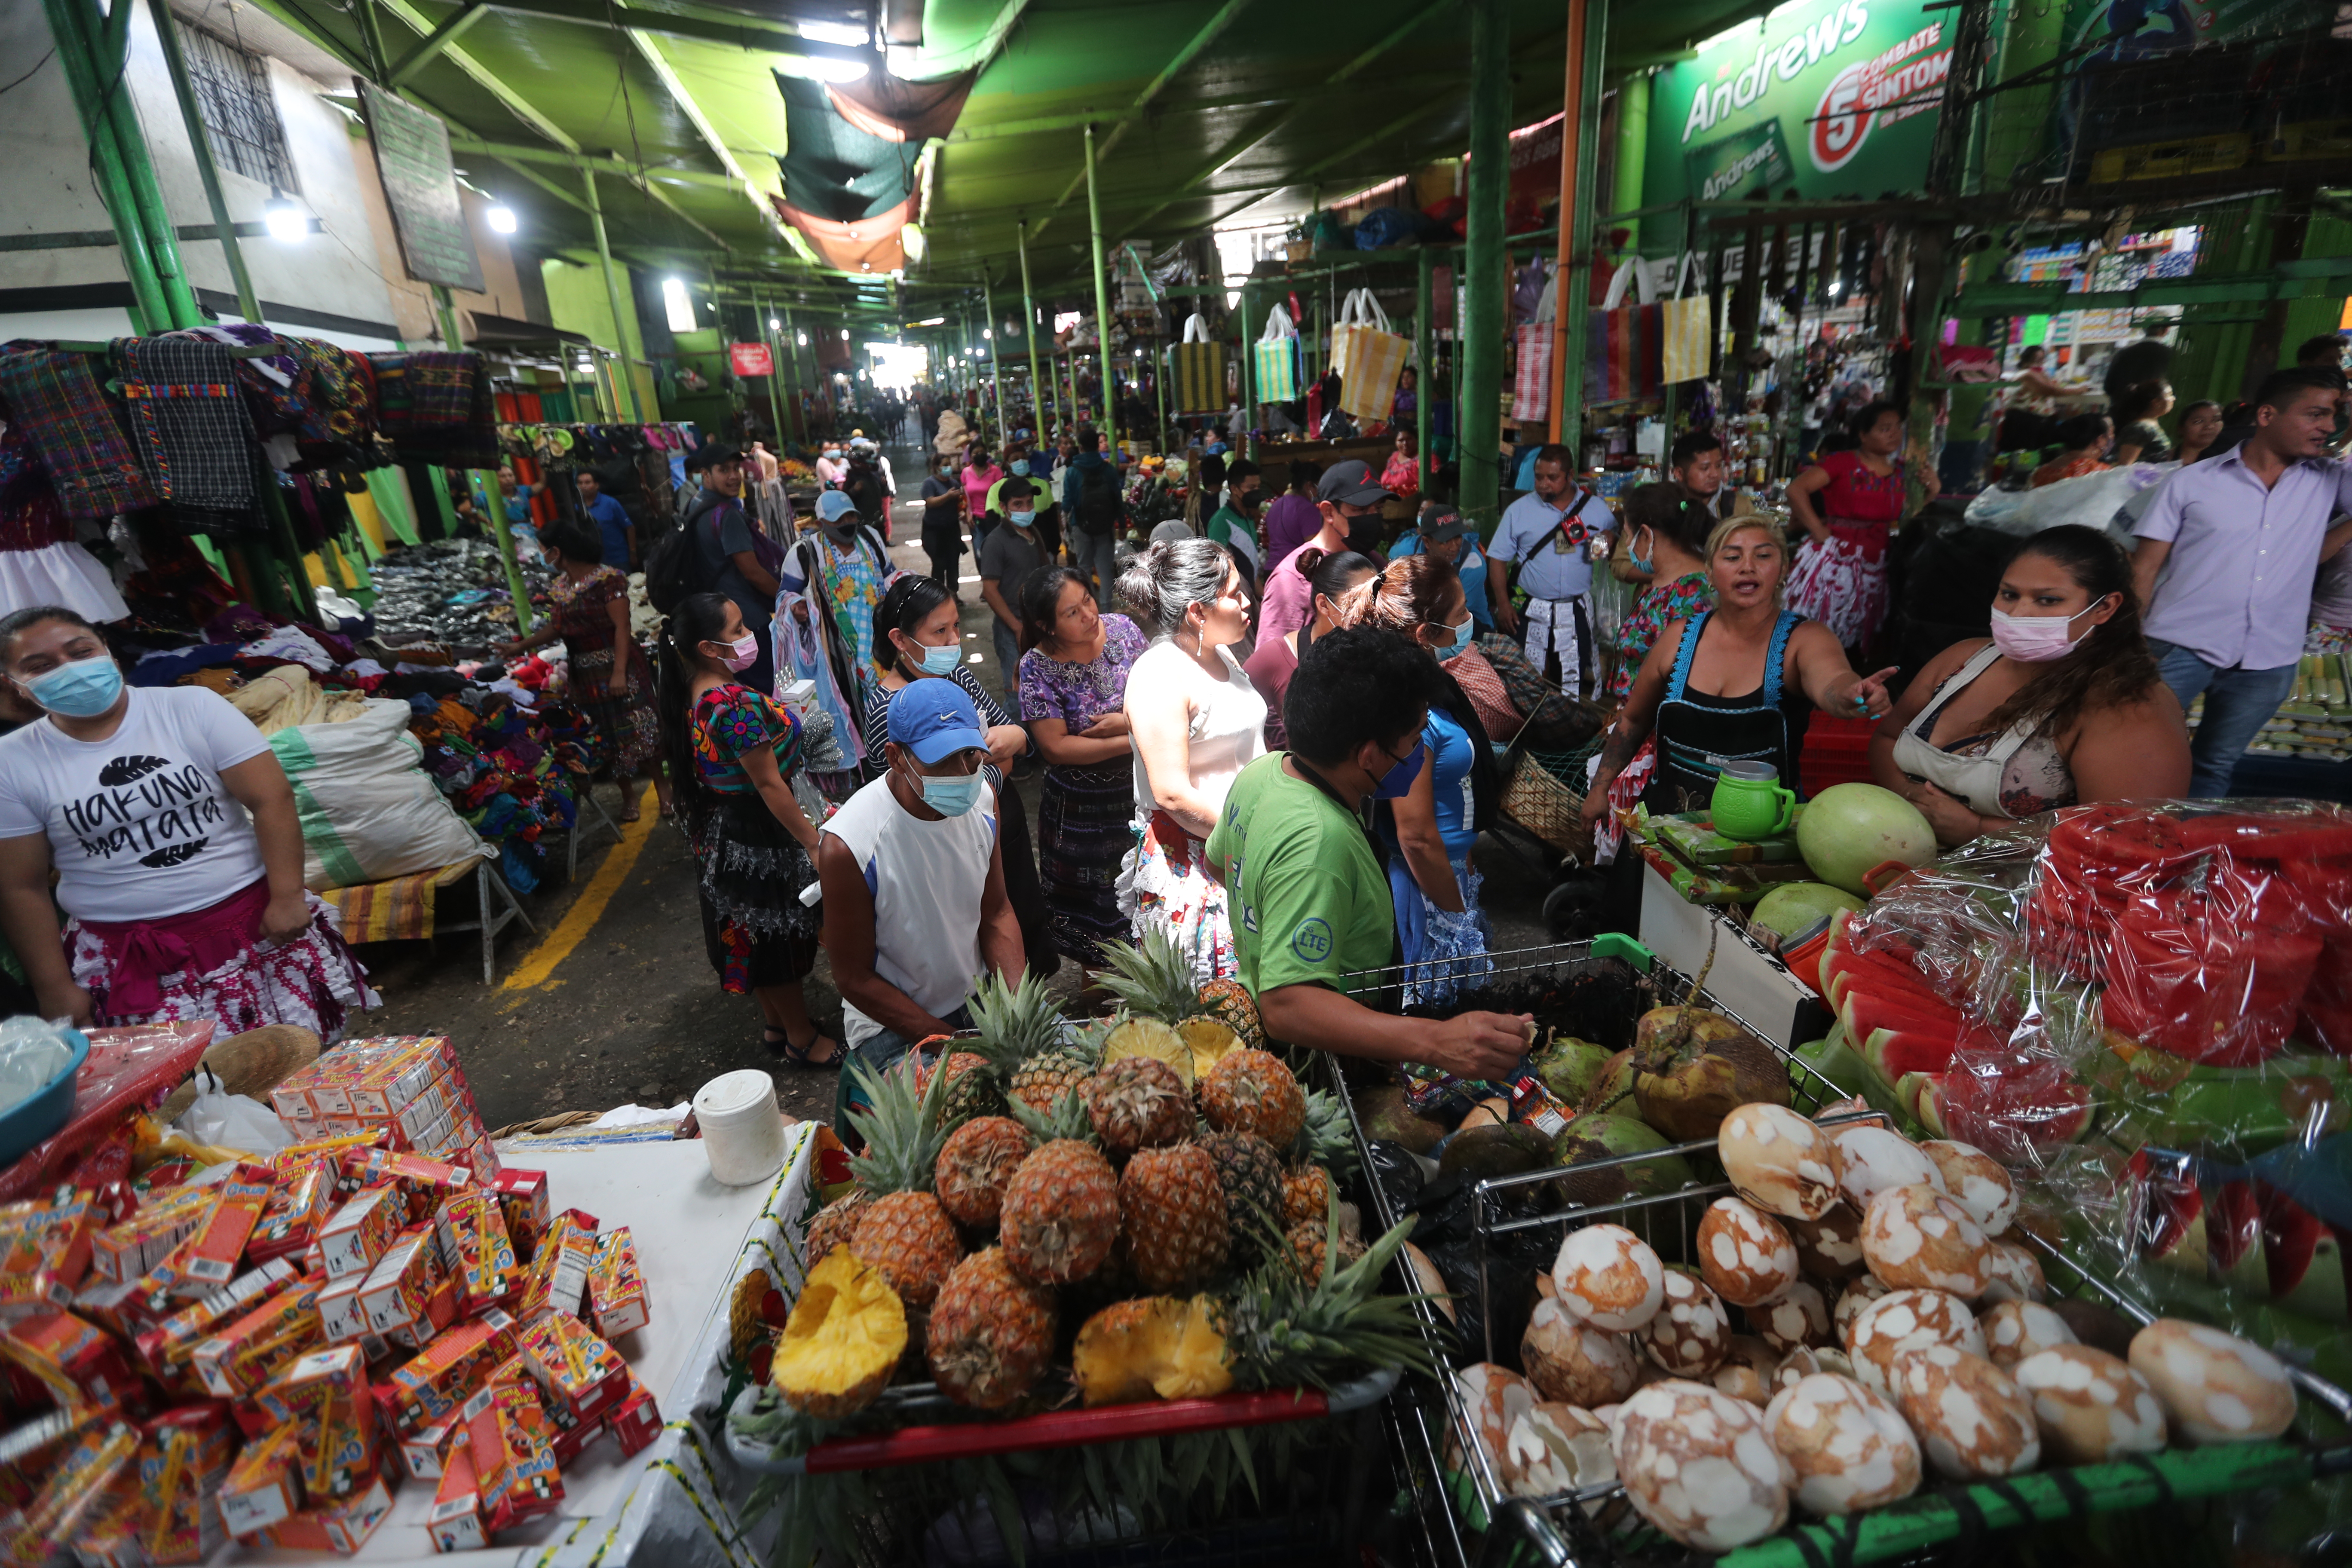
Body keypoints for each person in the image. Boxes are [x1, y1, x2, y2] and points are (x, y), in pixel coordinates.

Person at [0, 607, 376, 1034]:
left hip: (254, 928)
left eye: (81, 651)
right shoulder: (11, 763)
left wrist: (288, 896)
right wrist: (54, 988)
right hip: (126, 958)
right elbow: (21, 886)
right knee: (181, 1093)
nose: (70, 670)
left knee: (299, 1059)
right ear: (14, 687)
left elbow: (271, 797)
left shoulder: (191, 708)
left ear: (109, 653)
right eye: (40, 666)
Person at [1205, 626, 1531, 1080]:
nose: (1420, 754)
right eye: (1415, 740)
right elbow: (1287, 1006)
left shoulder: (1263, 773)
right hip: (1321, 1065)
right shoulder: (1320, 840)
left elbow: (1218, 861)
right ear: (1369, 756)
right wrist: (1436, 1042)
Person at [1871, 525, 2189, 845]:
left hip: (2031, 891)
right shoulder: (1963, 660)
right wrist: (1911, 796)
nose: (2020, 613)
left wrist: (1977, 829)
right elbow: (1887, 738)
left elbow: (2130, 841)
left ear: (2104, 608)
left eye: (2048, 601)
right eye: (2010, 594)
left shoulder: (2127, 706)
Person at [1581, 515, 1896, 836]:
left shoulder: (1804, 639)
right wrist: (1599, 789)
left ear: (1783, 569)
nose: (1748, 566)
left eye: (1763, 555)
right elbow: (1633, 721)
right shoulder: (1678, 638)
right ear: (1710, 574)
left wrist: (1851, 695)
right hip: (1665, 830)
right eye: (1732, 557)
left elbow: (1832, 681)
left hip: (1756, 840)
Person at [2132, 367, 2352, 796]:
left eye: (2334, 416)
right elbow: (2144, 569)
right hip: (2179, 646)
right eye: (2315, 414)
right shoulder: (2192, 482)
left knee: (2214, 766)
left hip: (2270, 658)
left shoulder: (2330, 481)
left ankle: (2191, 858)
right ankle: (2129, 852)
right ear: (2267, 416)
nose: (2327, 426)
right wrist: (2131, 648)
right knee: (2140, 757)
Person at [820, 679, 1021, 1116]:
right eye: (943, 761)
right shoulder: (848, 846)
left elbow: (997, 912)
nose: (963, 773)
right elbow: (853, 978)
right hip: (891, 1026)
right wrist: (951, 1041)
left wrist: (1017, 1006)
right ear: (896, 757)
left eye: (970, 756)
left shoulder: (984, 801)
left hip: (976, 1001)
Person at [658, 593, 836, 1064]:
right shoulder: (729, 705)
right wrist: (813, 841)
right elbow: (769, 785)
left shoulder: (693, 690)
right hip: (757, 834)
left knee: (751, 933)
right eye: (737, 630)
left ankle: (777, 1027)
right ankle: (802, 1039)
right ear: (708, 647)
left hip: (724, 830)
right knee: (777, 941)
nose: (748, 636)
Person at [1335, 557, 1501, 1011]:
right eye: (1460, 614)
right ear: (1425, 634)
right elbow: (1415, 836)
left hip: (1448, 873)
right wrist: (1455, 917)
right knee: (1434, 1021)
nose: (1469, 622)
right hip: (1426, 888)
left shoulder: (1425, 685)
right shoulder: (1411, 713)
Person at [867, 576, 1054, 976]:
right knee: (970, 947)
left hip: (1004, 828)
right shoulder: (887, 707)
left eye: (955, 627)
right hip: (943, 849)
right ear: (900, 640)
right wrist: (994, 765)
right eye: (940, 631)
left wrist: (1016, 740)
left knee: (1019, 925)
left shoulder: (959, 678)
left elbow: (1016, 743)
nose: (955, 640)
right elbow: (912, 800)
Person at [1118, 539, 1266, 982]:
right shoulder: (1159, 673)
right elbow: (1172, 793)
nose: (1247, 602)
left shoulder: (1219, 652)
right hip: (1202, 858)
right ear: (1197, 613)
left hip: (1241, 847)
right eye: (1234, 593)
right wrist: (1246, 842)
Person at [497, 521, 671, 821]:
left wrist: (619, 672)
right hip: (584, 671)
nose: (542, 557)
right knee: (605, 734)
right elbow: (557, 627)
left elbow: (621, 626)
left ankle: (663, 790)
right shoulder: (560, 587)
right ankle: (628, 795)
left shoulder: (608, 579)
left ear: (557, 551)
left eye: (542, 551)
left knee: (638, 726)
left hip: (618, 662)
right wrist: (520, 646)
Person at [1018, 567, 1146, 974]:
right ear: (1046, 626)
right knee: (1094, 924)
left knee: (1147, 904)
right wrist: (1136, 738)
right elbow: (1056, 748)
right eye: (1072, 613)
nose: (1089, 615)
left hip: (1139, 794)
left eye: (1088, 601)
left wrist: (1128, 724)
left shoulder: (1124, 631)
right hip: (1079, 814)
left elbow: (1161, 696)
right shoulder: (1035, 667)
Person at [1785, 400, 1935, 657]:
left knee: (1861, 633)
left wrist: (1933, 490)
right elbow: (1796, 489)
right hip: (1834, 559)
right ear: (1863, 435)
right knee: (1821, 626)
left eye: (1898, 428)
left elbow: (1914, 516)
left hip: (1877, 559)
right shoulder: (1842, 462)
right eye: (1885, 429)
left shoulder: (1904, 471)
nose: (1895, 434)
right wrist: (1819, 532)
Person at [778, 490, 898, 778]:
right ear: (822, 522)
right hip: (838, 649)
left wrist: (904, 583)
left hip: (878, 638)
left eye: (851, 517)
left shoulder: (869, 538)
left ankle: (895, 750)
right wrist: (796, 606)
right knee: (851, 702)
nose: (848, 523)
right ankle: (868, 764)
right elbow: (785, 594)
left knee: (889, 698)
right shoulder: (805, 551)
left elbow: (889, 573)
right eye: (839, 519)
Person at [1489, 444, 1617, 695]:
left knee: (1572, 678)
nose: (1543, 484)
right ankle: (1528, 728)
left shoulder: (1596, 509)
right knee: (1525, 675)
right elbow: (1497, 559)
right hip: (1530, 607)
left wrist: (1611, 539)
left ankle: (1567, 726)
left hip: (1576, 609)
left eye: (1552, 478)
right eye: (1539, 477)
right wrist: (1504, 604)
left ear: (1570, 476)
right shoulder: (1519, 511)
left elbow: (1616, 540)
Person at [1245, 548, 1378, 750]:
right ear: (1324, 604)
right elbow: (1233, 711)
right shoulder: (1280, 655)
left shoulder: (1381, 648)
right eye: (1358, 602)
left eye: (1375, 598)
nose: (1371, 610)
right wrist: (1271, 760)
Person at [683, 446, 783, 696]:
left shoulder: (694, 505)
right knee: (765, 694)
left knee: (738, 694)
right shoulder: (726, 516)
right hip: (745, 622)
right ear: (705, 474)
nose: (734, 476)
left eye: (736, 469)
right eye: (723, 470)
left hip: (717, 624)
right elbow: (753, 573)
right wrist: (787, 598)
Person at [1605, 484, 1717, 703]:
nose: (1628, 544)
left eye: (1629, 536)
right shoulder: (1661, 583)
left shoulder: (1695, 594)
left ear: (1646, 535)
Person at [1260, 460, 1392, 641]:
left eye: (1378, 509)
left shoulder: (1375, 562)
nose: (1372, 518)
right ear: (1329, 512)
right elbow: (1274, 659)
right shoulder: (1291, 579)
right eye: (1360, 510)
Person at [977, 476, 1047, 720]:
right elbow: (990, 590)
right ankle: (1016, 748)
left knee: (1042, 687)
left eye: (1029, 503)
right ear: (1004, 507)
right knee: (1017, 695)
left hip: (1039, 625)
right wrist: (1017, 628)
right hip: (1012, 630)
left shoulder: (1033, 533)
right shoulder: (995, 543)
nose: (1026, 509)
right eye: (1019, 504)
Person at [1389, 502, 1494, 632]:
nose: (1454, 547)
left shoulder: (1473, 564)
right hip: (1424, 619)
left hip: (1468, 624)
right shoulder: (1405, 553)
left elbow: (1458, 614)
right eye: (1445, 541)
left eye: (1458, 537)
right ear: (1427, 542)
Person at [1062, 427, 1125, 609]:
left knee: (1084, 568)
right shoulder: (1108, 469)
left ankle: (1091, 608)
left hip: (1080, 525)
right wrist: (1121, 524)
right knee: (1105, 570)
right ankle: (1107, 609)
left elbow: (1067, 504)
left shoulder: (1072, 472)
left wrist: (1065, 525)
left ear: (1080, 447)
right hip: (1106, 526)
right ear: (1097, 445)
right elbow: (1117, 500)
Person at [1669, 431, 1752, 521]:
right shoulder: (1665, 508)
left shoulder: (1739, 507)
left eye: (1719, 466)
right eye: (1705, 468)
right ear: (1679, 474)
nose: (1715, 474)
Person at [1204, 459, 1262, 579]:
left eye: (1258, 487)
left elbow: (1251, 566)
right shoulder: (1221, 521)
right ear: (1235, 489)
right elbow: (1217, 566)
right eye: (1252, 487)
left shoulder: (1249, 518)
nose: (1256, 492)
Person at [1261, 460, 1323, 567]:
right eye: (1318, 487)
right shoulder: (1308, 509)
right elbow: (1314, 549)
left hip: (1272, 569)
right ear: (1309, 485)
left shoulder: (1276, 506)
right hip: (1293, 571)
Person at [918, 453, 965, 590]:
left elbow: (959, 503)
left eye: (949, 464)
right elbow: (930, 502)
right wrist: (948, 496)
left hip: (952, 529)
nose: (948, 468)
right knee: (939, 562)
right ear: (936, 467)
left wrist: (961, 511)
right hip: (933, 530)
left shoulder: (954, 483)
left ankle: (953, 592)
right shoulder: (930, 483)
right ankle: (938, 593)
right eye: (945, 465)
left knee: (953, 562)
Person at [575, 469, 635, 572]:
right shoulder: (576, 508)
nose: (583, 486)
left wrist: (633, 553)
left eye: (587, 483)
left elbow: (630, 528)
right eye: (580, 483)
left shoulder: (611, 503)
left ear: (597, 485)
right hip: (593, 563)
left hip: (618, 560)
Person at [2030, 414, 2115, 487]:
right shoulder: (2099, 472)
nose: (2112, 439)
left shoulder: (2042, 471)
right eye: (2111, 435)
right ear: (2100, 440)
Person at [2102, 322, 2174, 404]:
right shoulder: (2171, 354)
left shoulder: (2123, 354)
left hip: (2123, 409)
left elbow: (2108, 387)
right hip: (2153, 407)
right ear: (2166, 330)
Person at [2110, 383, 2175, 466]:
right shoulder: (2140, 429)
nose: (2173, 399)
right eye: (2170, 395)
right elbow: (2125, 465)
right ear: (2156, 402)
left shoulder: (2149, 426)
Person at [496, 465, 543, 560]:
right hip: (510, 539)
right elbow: (464, 508)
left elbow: (542, 484)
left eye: (511, 475)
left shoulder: (522, 491)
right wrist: (488, 522)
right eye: (503, 476)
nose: (508, 479)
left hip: (530, 534)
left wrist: (543, 464)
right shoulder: (489, 496)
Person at [2174, 399, 2226, 467]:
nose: (2209, 426)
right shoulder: (2162, 460)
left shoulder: (2229, 463)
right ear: (2181, 428)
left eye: (2217, 420)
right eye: (2199, 422)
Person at [1381, 428, 1421, 500]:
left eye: (1409, 439)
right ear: (1396, 442)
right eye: (1401, 440)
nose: (1405, 443)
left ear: (1417, 440)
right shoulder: (1394, 457)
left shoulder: (1422, 459)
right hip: (1389, 504)